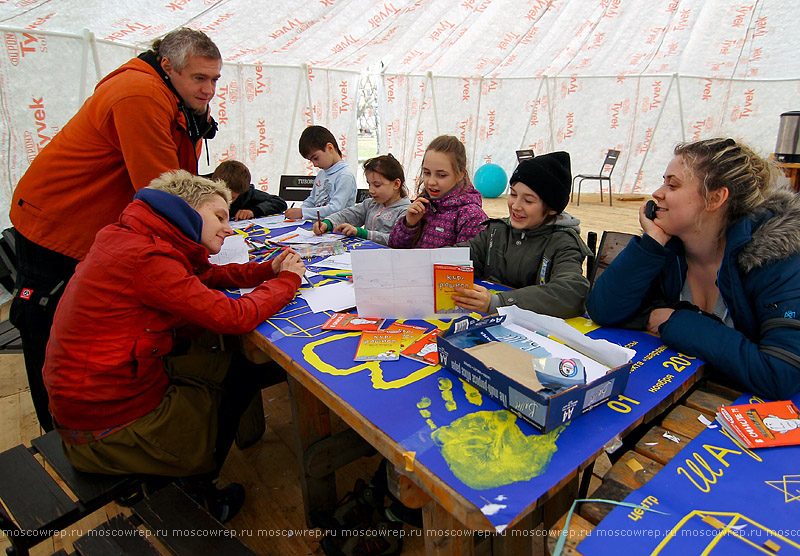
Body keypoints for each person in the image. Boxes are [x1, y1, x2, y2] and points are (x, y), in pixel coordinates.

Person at [42, 170, 305, 522]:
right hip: (106, 422)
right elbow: (233, 317)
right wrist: (288, 280)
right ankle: (197, 488)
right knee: (235, 379)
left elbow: (201, 277)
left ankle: (194, 469)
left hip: (103, 390)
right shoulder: (146, 257)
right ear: (187, 210)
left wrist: (265, 270)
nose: (227, 229)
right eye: (219, 216)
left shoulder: (134, 237)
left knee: (240, 369)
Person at [9, 27, 223, 431]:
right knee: (50, 326)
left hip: (95, 228)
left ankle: (108, 424)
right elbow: (163, 188)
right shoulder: (138, 95)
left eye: (214, 79)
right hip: (57, 228)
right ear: (167, 67)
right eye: (199, 78)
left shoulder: (174, 97)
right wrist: (202, 241)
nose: (209, 89)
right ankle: (64, 439)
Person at [587, 138, 800, 401]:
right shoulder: (668, 247)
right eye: (663, 181)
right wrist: (651, 244)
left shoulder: (776, 258)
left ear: (715, 198)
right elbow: (604, 309)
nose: (657, 193)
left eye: (672, 185)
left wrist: (673, 320)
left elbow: (781, 374)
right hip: (684, 393)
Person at [453, 152, 591, 317]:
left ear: (552, 208)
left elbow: (571, 292)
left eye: (528, 200)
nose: (516, 206)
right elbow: (461, 255)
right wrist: (421, 262)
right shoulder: (496, 231)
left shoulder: (563, 242)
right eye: (513, 194)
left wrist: (500, 303)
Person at [388, 135, 487, 248]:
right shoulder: (423, 204)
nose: (431, 182)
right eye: (427, 173)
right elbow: (394, 248)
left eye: (441, 175)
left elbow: (466, 261)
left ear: (460, 174)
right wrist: (409, 224)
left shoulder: (471, 216)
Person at [313, 154, 410, 245]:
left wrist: (362, 233)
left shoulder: (406, 212)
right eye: (369, 184)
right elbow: (348, 215)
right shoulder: (371, 204)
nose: (371, 190)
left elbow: (396, 240)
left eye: (377, 185)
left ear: (396, 184)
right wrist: (327, 223)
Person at [284, 125, 356, 221]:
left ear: (330, 148)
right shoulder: (321, 174)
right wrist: (300, 210)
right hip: (318, 228)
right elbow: (312, 199)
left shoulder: (345, 176)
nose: (314, 164)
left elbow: (335, 209)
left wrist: (302, 212)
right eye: (311, 160)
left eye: (315, 158)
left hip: (338, 230)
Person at [211, 160, 287, 220]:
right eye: (223, 196)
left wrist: (253, 211)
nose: (226, 202)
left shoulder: (247, 194)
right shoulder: (202, 190)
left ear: (241, 193)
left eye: (232, 198)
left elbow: (279, 202)